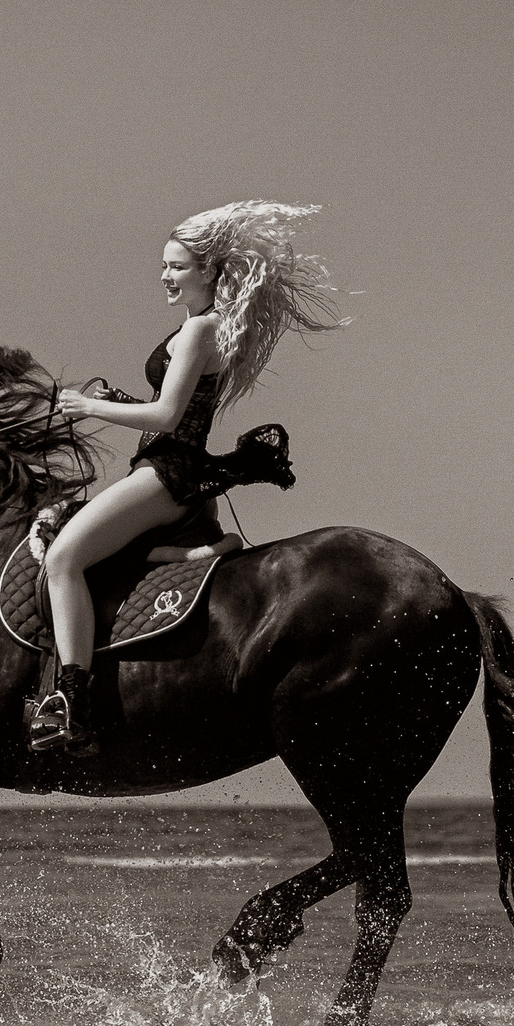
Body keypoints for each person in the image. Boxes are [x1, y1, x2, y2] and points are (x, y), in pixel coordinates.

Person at [31, 201, 349, 754]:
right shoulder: (195, 329)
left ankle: (70, 704)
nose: (165, 277)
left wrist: (88, 407)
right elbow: (165, 409)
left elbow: (166, 419)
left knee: (62, 560)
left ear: (209, 271)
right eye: (162, 266)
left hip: (166, 474)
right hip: (169, 466)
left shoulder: (202, 330)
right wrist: (118, 400)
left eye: (176, 267)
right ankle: (189, 558)